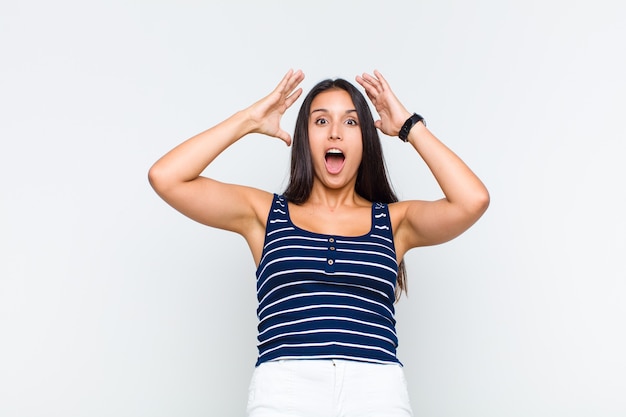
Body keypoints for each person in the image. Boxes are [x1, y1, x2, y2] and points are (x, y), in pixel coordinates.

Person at [148, 69, 489, 417]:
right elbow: (166, 177)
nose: (336, 133)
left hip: (375, 391)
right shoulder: (266, 215)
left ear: (366, 139)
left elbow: (472, 200)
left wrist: (408, 126)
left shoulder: (395, 222)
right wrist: (247, 120)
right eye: (321, 121)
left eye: (351, 122)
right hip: (286, 390)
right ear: (304, 136)